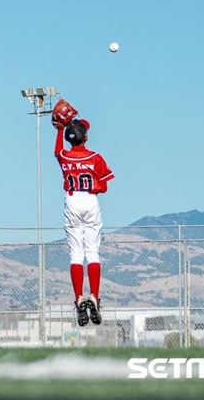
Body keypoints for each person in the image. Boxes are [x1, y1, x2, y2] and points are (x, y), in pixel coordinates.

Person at [53, 117, 114, 326]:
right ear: (85, 137)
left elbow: (57, 151)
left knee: (76, 254)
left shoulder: (64, 156)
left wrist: (59, 130)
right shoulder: (95, 157)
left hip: (71, 200)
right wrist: (95, 185)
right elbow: (104, 186)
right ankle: (94, 296)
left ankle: (79, 298)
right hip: (89, 200)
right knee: (93, 253)